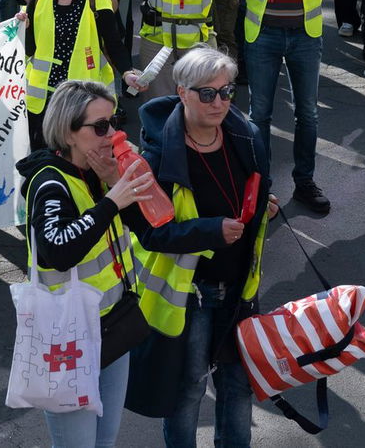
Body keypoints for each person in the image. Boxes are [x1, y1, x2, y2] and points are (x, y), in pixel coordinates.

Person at [131, 47, 274, 448]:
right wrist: (211, 231)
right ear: (182, 92)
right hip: (190, 294)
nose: (220, 102)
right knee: (189, 390)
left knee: (239, 385)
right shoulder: (157, 155)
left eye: (227, 92)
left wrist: (265, 205)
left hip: (241, 287)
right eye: (208, 94)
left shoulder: (246, 135)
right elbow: (151, 234)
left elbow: (260, 188)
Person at [19, 80, 154, 448]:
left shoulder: (102, 170)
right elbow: (57, 250)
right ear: (68, 132)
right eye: (100, 126)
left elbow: (151, 229)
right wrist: (112, 201)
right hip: (70, 339)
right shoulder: (49, 183)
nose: (112, 133)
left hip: (114, 324)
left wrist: (113, 181)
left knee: (105, 441)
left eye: (114, 121)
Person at [227, 0, 343, 214]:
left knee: (307, 114)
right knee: (259, 114)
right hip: (263, 33)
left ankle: (304, 181)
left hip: (305, 34)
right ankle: (259, 184)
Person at [20, 0, 126, 150]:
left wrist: (128, 72)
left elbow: (114, 44)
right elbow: (30, 49)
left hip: (82, 102)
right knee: (46, 160)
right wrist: (22, 29)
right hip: (44, 101)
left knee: (83, 161)